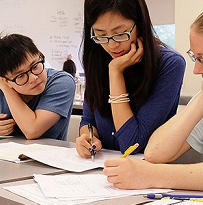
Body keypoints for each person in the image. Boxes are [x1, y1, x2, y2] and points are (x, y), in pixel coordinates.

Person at [103, 2, 203, 193]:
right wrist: (202, 100)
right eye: (194, 58)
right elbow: (155, 153)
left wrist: (153, 175)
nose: (197, 70)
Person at [75, 0, 185, 158]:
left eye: (120, 34)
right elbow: (88, 119)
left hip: (146, 172)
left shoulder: (170, 64)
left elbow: (132, 144)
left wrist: (115, 72)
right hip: (99, 169)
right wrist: (87, 138)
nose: (111, 45)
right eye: (100, 35)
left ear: (139, 23)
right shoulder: (98, 59)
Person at [0, 34, 75, 140]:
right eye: (21, 76)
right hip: (4, 155)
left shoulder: (62, 82)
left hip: (49, 155)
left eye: (35, 66)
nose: (33, 78)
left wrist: (6, 89)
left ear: (40, 55)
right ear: (5, 80)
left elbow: (32, 130)